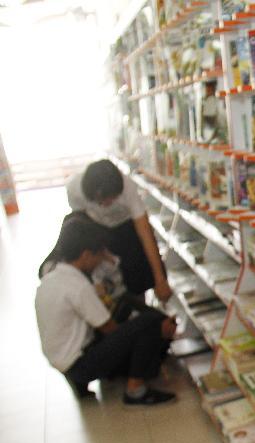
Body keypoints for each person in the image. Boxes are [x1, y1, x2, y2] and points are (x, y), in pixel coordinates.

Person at [35, 219, 176, 405]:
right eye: (99, 254)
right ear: (85, 255)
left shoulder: (53, 277)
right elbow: (110, 329)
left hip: (61, 359)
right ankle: (136, 390)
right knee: (150, 321)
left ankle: (93, 380)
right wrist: (155, 330)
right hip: (80, 362)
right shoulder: (78, 286)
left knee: (137, 321)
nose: (102, 258)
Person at [66, 159, 172, 302]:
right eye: (103, 201)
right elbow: (79, 222)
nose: (107, 204)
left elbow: (145, 233)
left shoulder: (128, 188)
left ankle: (138, 305)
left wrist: (160, 280)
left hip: (127, 226)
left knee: (137, 277)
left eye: (112, 199)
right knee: (103, 275)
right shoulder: (74, 189)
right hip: (97, 226)